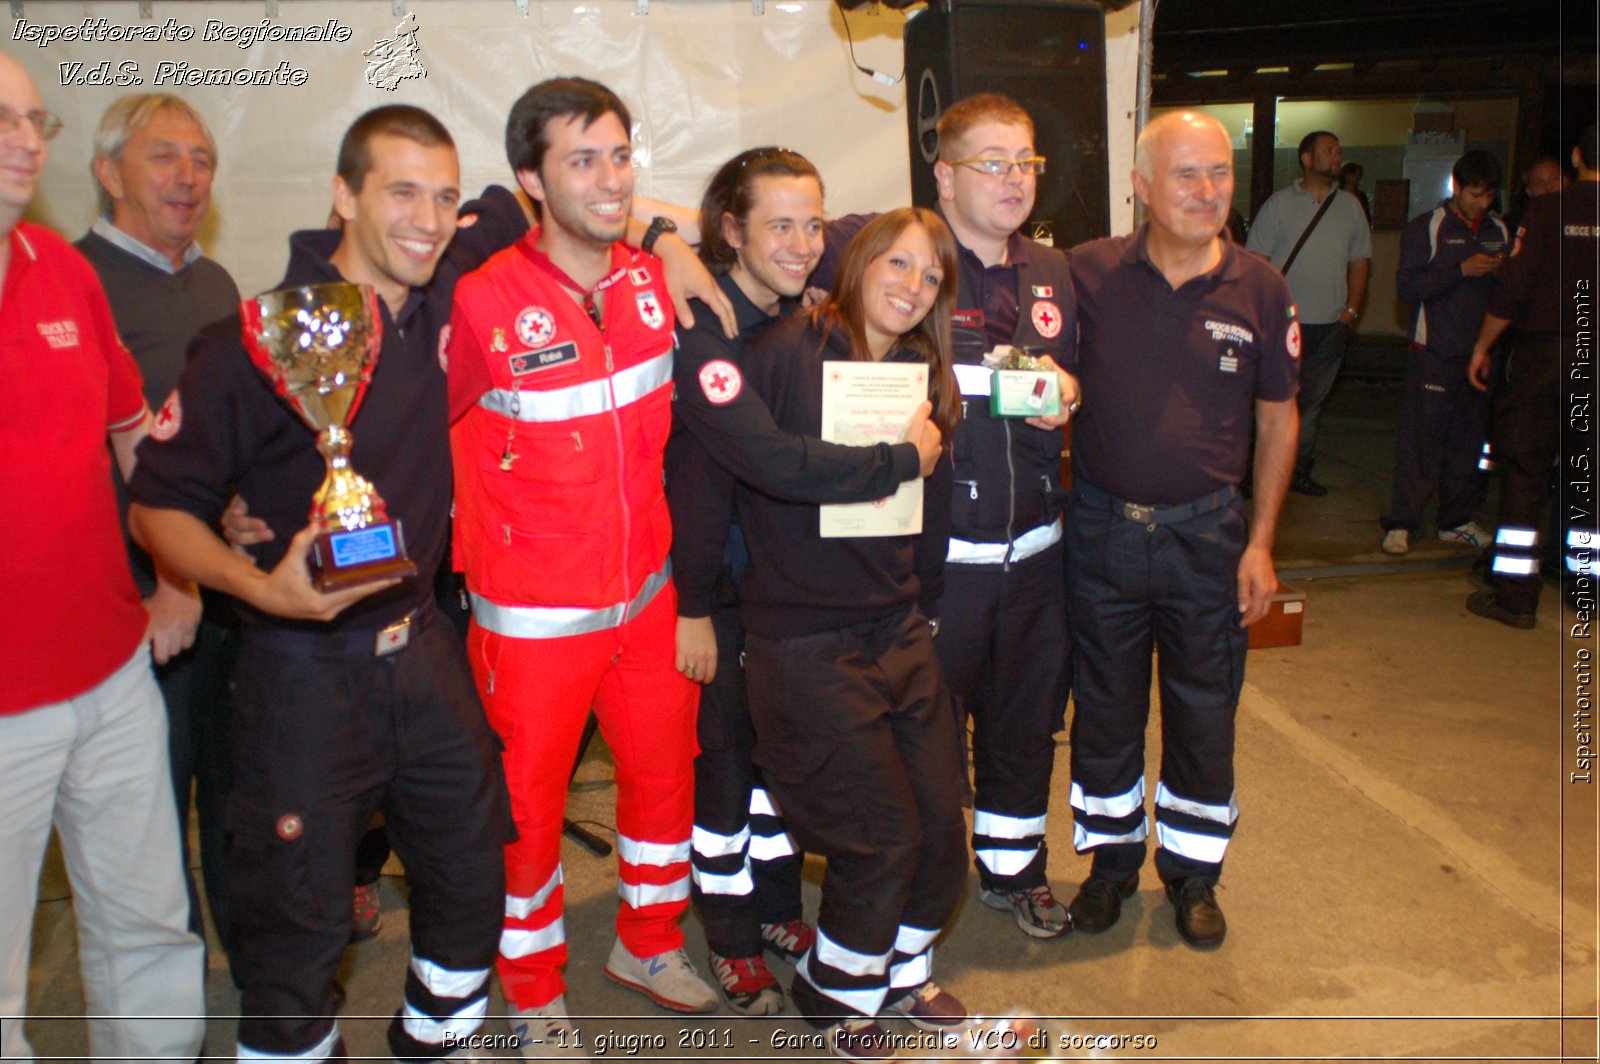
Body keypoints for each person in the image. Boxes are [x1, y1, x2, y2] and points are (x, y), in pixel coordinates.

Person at [129, 104, 509, 1063]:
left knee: (468, 866)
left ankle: (439, 1034)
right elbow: (159, 506)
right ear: (343, 195)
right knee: (294, 916)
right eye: (402, 192)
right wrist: (257, 589)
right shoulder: (253, 338)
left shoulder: (444, 278)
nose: (430, 217)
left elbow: (562, 197)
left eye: (445, 196)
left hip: (422, 647)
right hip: (300, 668)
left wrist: (671, 238)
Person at [446, 77, 719, 1046]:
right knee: (525, 814)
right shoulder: (480, 303)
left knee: (662, 780)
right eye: (580, 160)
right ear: (530, 179)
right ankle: (530, 988)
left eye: (618, 154)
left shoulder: (651, 277)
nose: (609, 179)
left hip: (648, 596)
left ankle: (647, 938)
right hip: (530, 621)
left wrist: (667, 235)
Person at [667, 147, 945, 1017]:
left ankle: (829, 939)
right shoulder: (722, 333)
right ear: (731, 230)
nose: (797, 241)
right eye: (778, 223)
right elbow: (746, 465)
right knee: (732, 786)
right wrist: (696, 603)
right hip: (751, 607)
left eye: (811, 224)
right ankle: (736, 939)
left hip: (853, 612)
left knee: (826, 802)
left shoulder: (882, 353)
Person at [813, 93, 1080, 942]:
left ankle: (1016, 870)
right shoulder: (896, 252)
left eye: (1026, 162)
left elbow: (1070, 376)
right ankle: (914, 898)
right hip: (940, 560)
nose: (1013, 180)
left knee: (1026, 726)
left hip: (1038, 555)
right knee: (920, 746)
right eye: (991, 162)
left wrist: (1069, 391)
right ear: (943, 175)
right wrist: (667, 240)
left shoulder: (1054, 271)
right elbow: (770, 234)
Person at [0, 54, 205, 1063]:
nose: (27, 139)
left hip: (112, 666)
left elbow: (136, 439)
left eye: (35, 118)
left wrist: (174, 572)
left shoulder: (59, 268)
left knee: (148, 931)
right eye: (2, 119)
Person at [732, 208, 969, 1061]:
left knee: (943, 827)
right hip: (804, 639)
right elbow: (743, 473)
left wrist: (926, 612)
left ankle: (901, 972)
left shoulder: (924, 377)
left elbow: (929, 519)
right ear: (858, 262)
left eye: (931, 276)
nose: (912, 287)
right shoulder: (782, 356)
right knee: (881, 836)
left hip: (897, 628)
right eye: (897, 265)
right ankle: (835, 989)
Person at [1063, 111, 1299, 950]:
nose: (1209, 192)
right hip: (1101, 535)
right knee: (1105, 709)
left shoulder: (1261, 287)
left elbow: (1279, 422)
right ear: (1141, 186)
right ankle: (1111, 866)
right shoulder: (1083, 274)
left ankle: (1195, 874)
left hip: (1209, 541)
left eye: (1221, 174)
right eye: (1187, 175)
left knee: (1205, 713)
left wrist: (1262, 542)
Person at [74, 91, 243, 968]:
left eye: (203, 159)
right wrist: (167, 580)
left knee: (235, 791)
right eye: (164, 157)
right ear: (107, 173)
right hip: (134, 608)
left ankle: (254, 962)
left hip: (222, 596)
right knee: (142, 817)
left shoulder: (212, 283)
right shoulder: (75, 286)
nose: (189, 177)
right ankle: (165, 1001)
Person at [1465, 124, 1600, 629]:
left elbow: (1513, 291)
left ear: (1576, 157)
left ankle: (1517, 597)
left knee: (1523, 474)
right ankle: (1588, 589)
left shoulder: (1547, 212)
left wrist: (1482, 345)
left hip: (1546, 357)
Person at [1380, 150, 1509, 555]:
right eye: (1474, 194)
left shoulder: (1499, 230)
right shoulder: (1428, 227)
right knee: (1421, 442)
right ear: (1456, 186)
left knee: (1468, 445)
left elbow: (1510, 298)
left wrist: (1502, 273)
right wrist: (1459, 272)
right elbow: (1407, 288)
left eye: (1488, 195)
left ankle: (1455, 520)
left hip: (1480, 357)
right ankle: (1401, 523)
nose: (1481, 203)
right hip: (1433, 352)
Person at [1248, 129, 1371, 497]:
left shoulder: (1350, 206)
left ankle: (1298, 472)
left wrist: (1350, 310)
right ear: (1306, 158)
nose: (1337, 156)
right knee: (1271, 400)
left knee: (1312, 405)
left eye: (1338, 150)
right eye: (1329, 150)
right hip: (1284, 325)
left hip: (1330, 324)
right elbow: (1257, 262)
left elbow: (1360, 262)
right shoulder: (1279, 204)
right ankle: (1252, 474)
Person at [1339, 161, 1372, 225]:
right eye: (1353, 174)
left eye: (1358, 175)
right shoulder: (1336, 195)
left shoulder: (1361, 196)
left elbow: (1366, 216)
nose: (1357, 177)